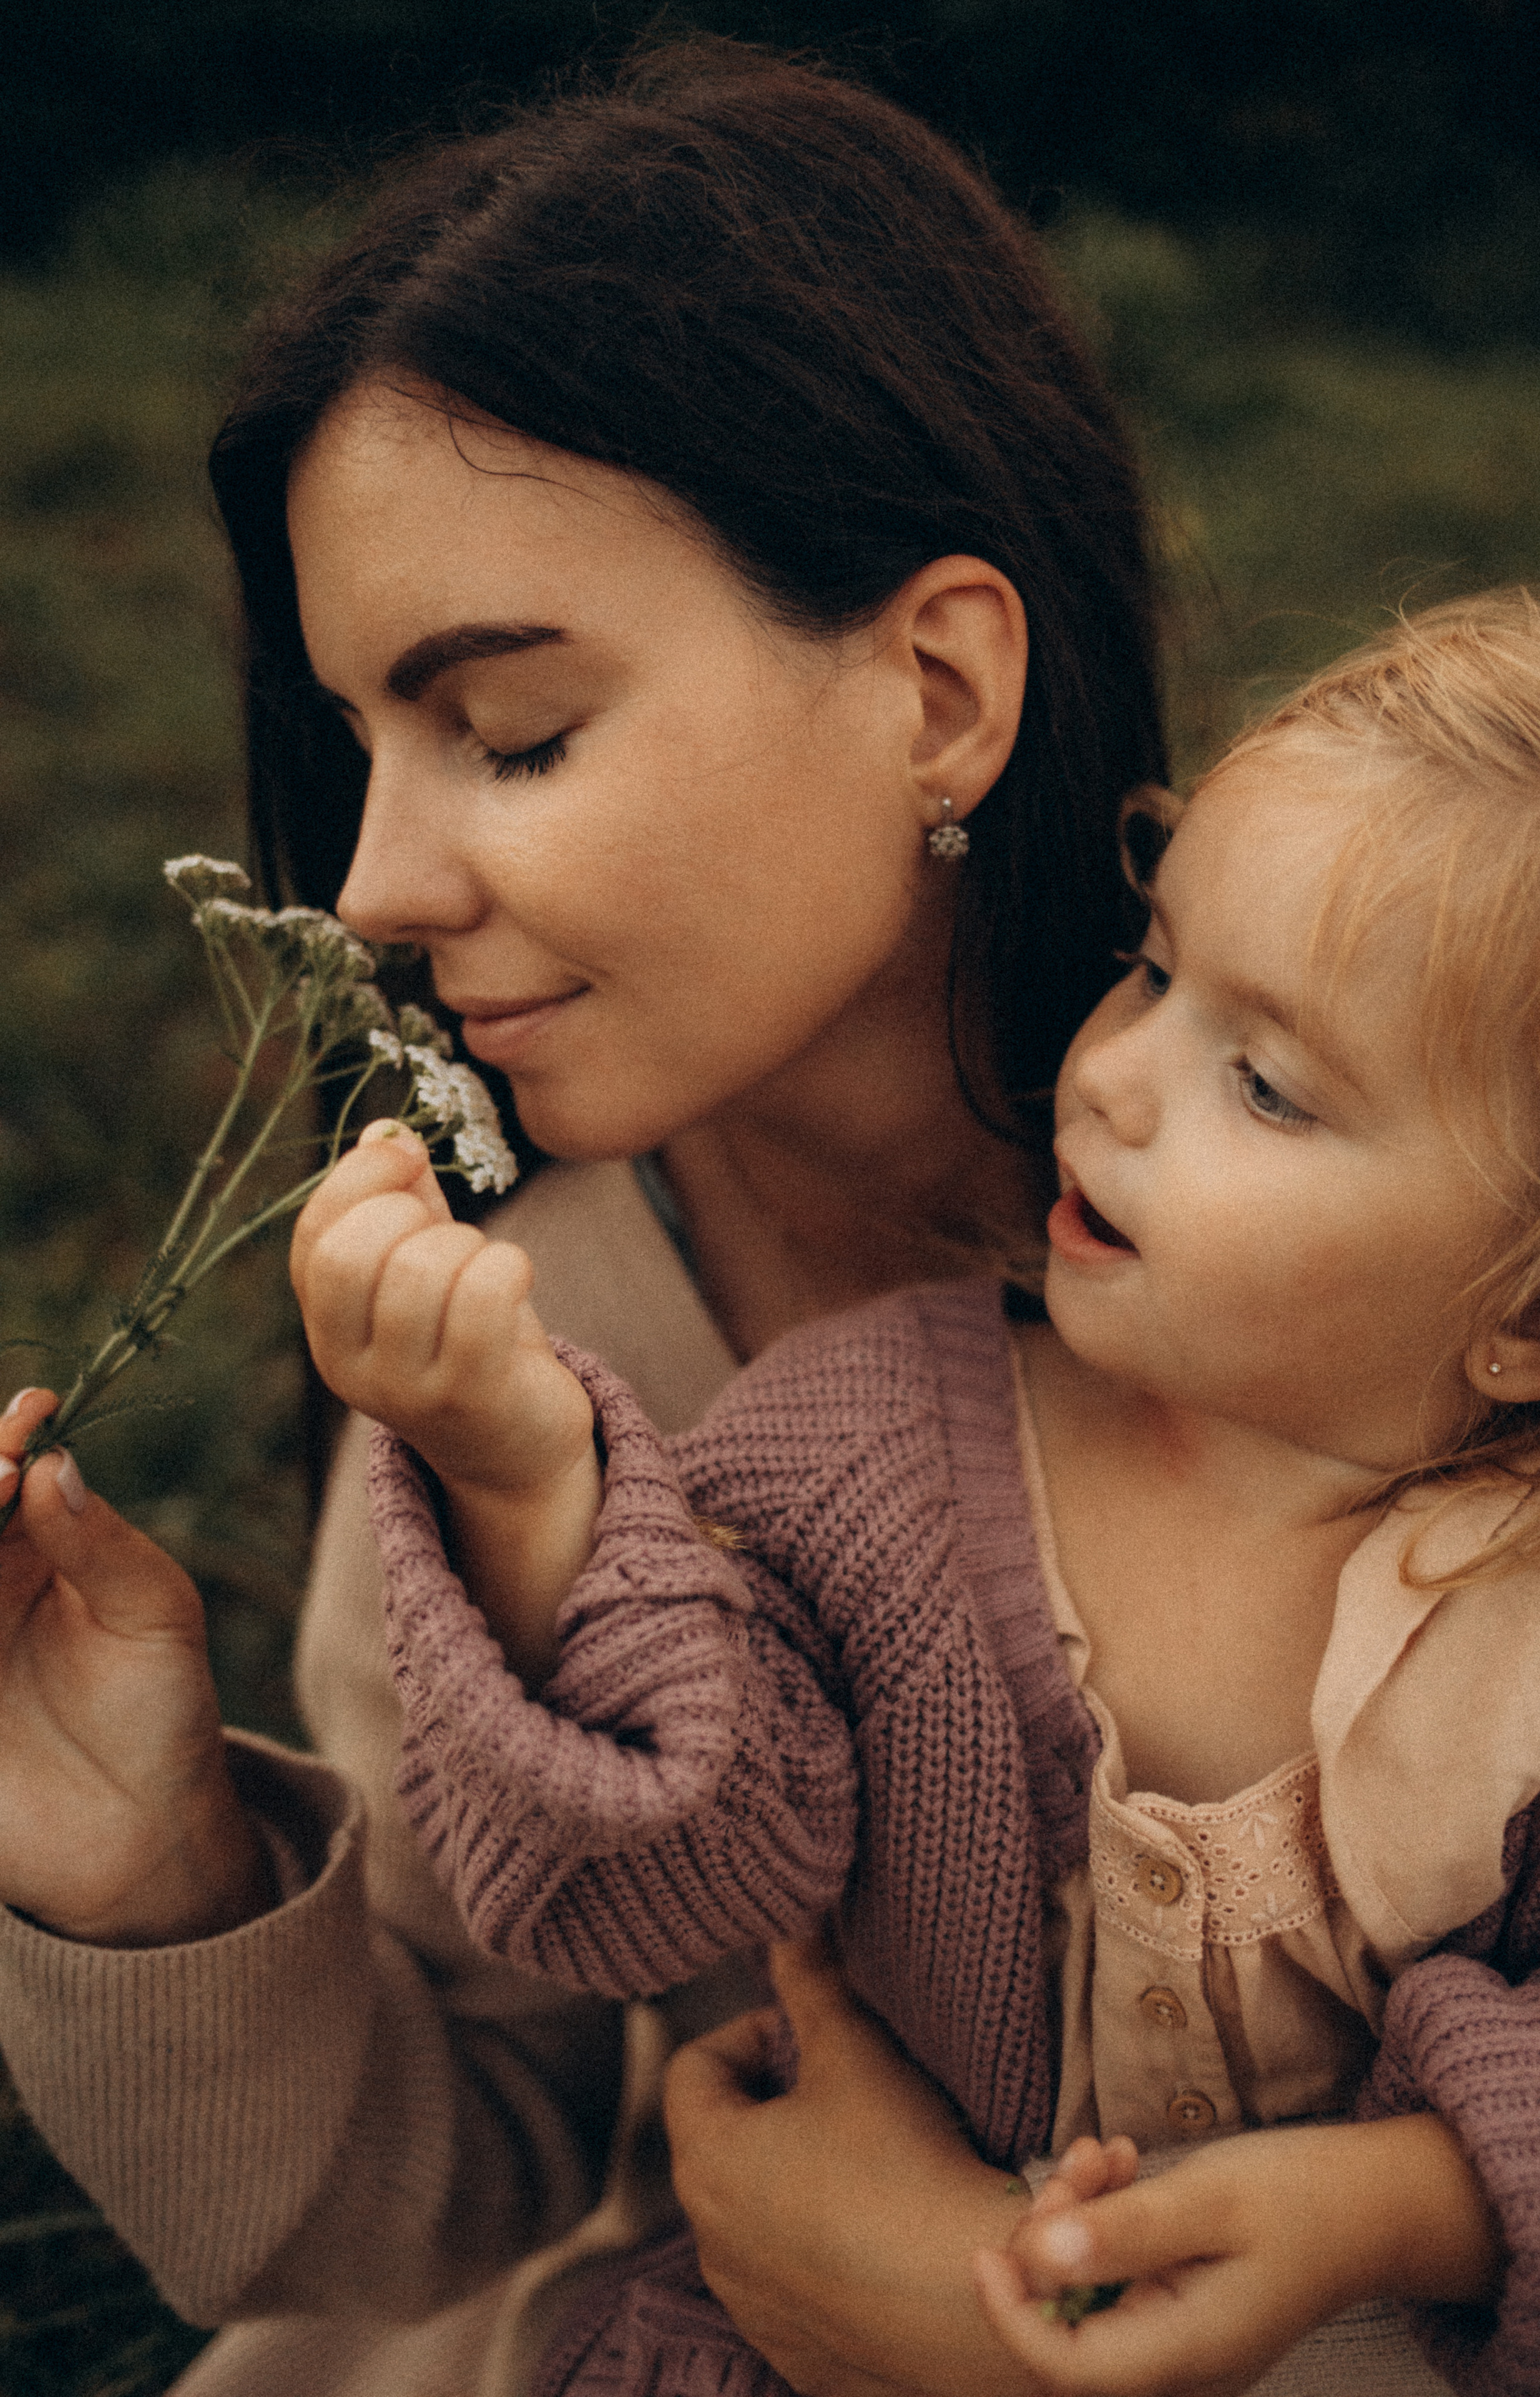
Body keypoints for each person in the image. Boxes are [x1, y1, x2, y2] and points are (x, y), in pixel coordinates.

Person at [0, 41, 1167, 2397]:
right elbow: (436, 2188)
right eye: (358, 752)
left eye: (512, 732)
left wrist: (997, 2327)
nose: (375, 889)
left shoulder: (1462, 1202)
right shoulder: (512, 1322)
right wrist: (156, 1875)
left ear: (940, 687)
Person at [295, 587, 1540, 2397]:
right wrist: (530, 1494)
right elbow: (662, 1878)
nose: (1118, 1078)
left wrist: (1414, 2202)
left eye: (1270, 1087)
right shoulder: (873, 1452)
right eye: (1154, 969)